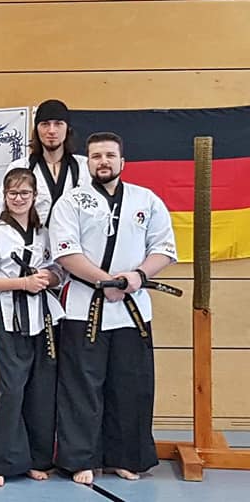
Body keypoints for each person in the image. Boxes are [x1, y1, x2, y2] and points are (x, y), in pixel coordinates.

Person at [50, 132, 176, 485]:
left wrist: (137, 276)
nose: (103, 162)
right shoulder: (70, 201)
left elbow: (164, 248)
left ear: (122, 161)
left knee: (130, 385)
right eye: (96, 156)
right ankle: (81, 459)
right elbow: (65, 252)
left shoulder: (145, 199)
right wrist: (106, 282)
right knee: (81, 386)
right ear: (87, 162)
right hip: (84, 306)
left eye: (109, 155)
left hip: (132, 307)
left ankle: (125, 457)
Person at [0, 168, 66, 487]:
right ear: (4, 196)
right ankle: (4, 462)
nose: (18, 198)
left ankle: (38, 459)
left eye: (25, 193)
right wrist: (23, 283)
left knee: (41, 389)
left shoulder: (44, 232)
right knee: (12, 388)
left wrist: (48, 278)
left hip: (43, 318)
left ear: (34, 196)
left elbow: (60, 269)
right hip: (9, 316)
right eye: (12, 193)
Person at [0, 99, 90, 225]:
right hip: (32, 235)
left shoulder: (85, 166)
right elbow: (3, 209)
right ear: (36, 129)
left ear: (67, 129)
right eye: (45, 124)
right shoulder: (20, 167)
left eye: (58, 124)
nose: (51, 130)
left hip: (74, 234)